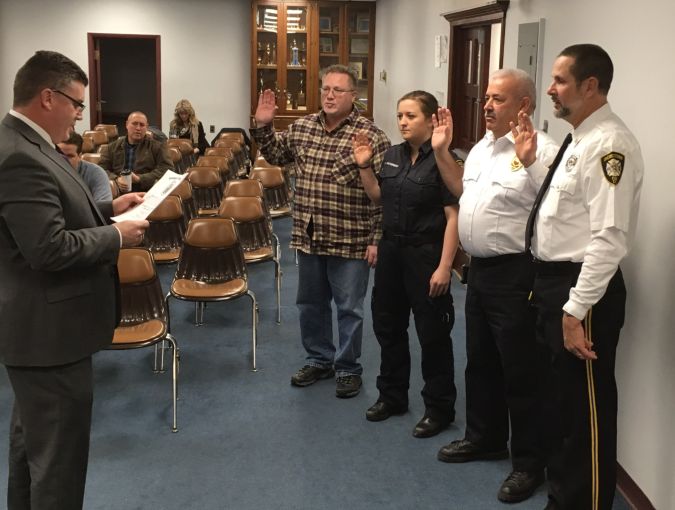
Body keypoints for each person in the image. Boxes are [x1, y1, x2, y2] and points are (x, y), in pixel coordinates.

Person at [0, 50, 149, 509]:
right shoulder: (20, 156)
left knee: (33, 452)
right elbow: (48, 249)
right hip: (48, 335)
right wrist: (115, 236)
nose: (81, 115)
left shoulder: (27, 144)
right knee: (58, 465)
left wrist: (107, 209)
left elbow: (47, 222)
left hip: (41, 332)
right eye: (77, 104)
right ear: (48, 97)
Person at [512, 44, 643, 510]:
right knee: (561, 407)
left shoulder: (610, 144)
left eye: (560, 80)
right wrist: (530, 164)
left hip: (581, 293)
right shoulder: (579, 138)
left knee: (584, 416)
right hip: (554, 287)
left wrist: (574, 308)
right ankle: (563, 499)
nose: (550, 88)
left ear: (590, 86)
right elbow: (564, 214)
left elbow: (609, 239)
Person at [435, 69, 560, 504]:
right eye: (486, 96)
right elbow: (462, 194)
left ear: (523, 105)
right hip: (481, 273)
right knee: (480, 361)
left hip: (517, 273)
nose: (486, 105)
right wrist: (440, 152)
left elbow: (559, 206)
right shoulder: (483, 148)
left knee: (521, 370)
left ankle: (529, 463)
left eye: (498, 99)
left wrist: (530, 162)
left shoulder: (541, 149)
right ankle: (484, 437)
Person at [250, 64, 390, 398]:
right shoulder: (302, 128)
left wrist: (376, 239)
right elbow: (275, 154)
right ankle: (319, 359)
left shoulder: (371, 136)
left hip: (351, 238)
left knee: (349, 309)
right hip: (309, 235)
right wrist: (263, 126)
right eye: (325, 89)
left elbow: (385, 195)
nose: (329, 95)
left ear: (353, 96)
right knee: (310, 305)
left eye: (337, 90)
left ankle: (347, 368)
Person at [355, 91, 460, 438]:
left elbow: (453, 215)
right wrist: (364, 167)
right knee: (388, 326)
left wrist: (445, 266)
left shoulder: (444, 160)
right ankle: (393, 395)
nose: (402, 122)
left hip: (426, 254)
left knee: (432, 333)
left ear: (431, 120)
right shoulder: (393, 154)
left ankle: (439, 407)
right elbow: (378, 198)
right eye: (400, 115)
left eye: (411, 116)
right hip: (391, 252)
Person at [100, 110, 173, 193]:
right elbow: (101, 169)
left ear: (147, 127)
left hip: (146, 192)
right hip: (118, 192)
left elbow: (167, 169)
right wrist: (116, 179)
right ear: (127, 124)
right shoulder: (112, 147)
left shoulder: (157, 147)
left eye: (142, 125)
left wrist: (140, 179)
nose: (138, 128)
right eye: (134, 124)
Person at [58, 130, 113, 202]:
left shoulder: (96, 173)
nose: (63, 159)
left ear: (79, 156)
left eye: (69, 156)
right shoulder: (47, 169)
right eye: (59, 154)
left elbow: (104, 207)